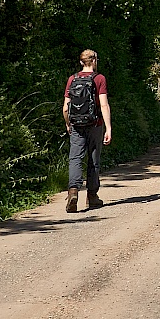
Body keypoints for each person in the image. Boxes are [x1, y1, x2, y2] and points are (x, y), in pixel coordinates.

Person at [63, 49, 112, 213]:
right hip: (95, 124)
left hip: (76, 124)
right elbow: (103, 104)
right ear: (95, 60)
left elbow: (65, 107)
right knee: (93, 160)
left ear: (81, 62)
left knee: (75, 158)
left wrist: (68, 123)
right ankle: (92, 196)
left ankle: (73, 191)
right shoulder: (99, 79)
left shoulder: (72, 79)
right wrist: (109, 128)